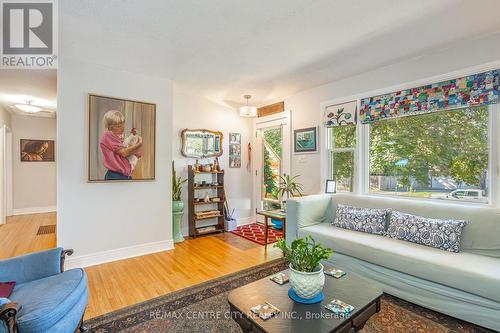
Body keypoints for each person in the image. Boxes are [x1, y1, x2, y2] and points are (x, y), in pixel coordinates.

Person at [100, 110, 142, 180]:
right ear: (109, 127)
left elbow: (126, 149)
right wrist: (139, 144)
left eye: (123, 124)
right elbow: (124, 153)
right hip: (116, 176)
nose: (122, 128)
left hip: (124, 174)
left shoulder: (117, 136)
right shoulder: (108, 136)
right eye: (118, 126)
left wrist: (132, 137)